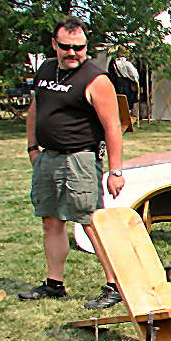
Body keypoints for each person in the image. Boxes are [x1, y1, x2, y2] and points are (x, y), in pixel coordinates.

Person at [21, 16, 125, 308]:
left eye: (78, 47)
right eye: (66, 46)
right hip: (48, 158)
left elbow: (113, 126)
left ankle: (115, 286)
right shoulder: (46, 69)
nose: (72, 53)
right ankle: (54, 283)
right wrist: (32, 147)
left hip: (80, 160)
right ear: (54, 44)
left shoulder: (96, 79)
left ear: (86, 47)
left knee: (91, 221)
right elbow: (36, 108)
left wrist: (116, 171)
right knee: (51, 221)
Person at [107, 47, 139, 112]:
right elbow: (134, 74)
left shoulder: (115, 63)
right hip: (127, 84)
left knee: (121, 101)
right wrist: (135, 81)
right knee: (128, 101)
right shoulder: (127, 63)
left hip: (119, 83)